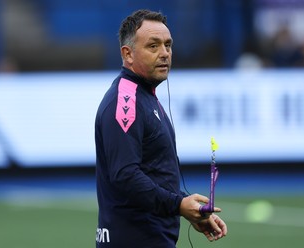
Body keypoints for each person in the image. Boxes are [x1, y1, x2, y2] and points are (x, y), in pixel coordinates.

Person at [94, 9, 227, 248]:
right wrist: (178, 206)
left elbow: (152, 171)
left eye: (168, 45)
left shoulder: (145, 96)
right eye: (153, 46)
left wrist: (186, 206)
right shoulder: (126, 101)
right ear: (128, 54)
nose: (164, 53)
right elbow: (126, 175)